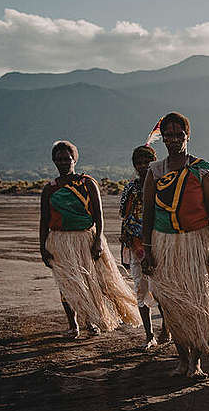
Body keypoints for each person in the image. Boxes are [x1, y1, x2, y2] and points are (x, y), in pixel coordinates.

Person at [141, 112, 209, 377]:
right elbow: (148, 214)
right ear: (162, 138)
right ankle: (181, 358)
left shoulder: (202, 169)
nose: (174, 140)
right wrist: (148, 250)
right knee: (171, 303)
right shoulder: (155, 171)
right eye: (168, 135)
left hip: (196, 242)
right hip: (164, 242)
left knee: (196, 301)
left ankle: (196, 361)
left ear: (188, 136)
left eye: (179, 134)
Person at [39, 140, 141, 338]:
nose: (63, 163)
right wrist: (42, 247)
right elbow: (44, 220)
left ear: (74, 159)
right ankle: (73, 324)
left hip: (86, 238)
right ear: (54, 161)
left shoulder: (87, 183)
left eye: (67, 159)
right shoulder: (50, 189)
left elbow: (99, 215)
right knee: (67, 284)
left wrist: (97, 242)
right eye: (59, 159)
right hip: (59, 241)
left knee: (89, 282)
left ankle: (91, 320)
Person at [120, 145, 170, 349]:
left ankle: (167, 329)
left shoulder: (163, 184)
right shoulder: (130, 188)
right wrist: (126, 238)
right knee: (140, 288)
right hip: (136, 245)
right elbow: (125, 215)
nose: (142, 166)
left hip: (160, 242)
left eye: (146, 162)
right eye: (138, 163)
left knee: (163, 288)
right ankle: (149, 334)